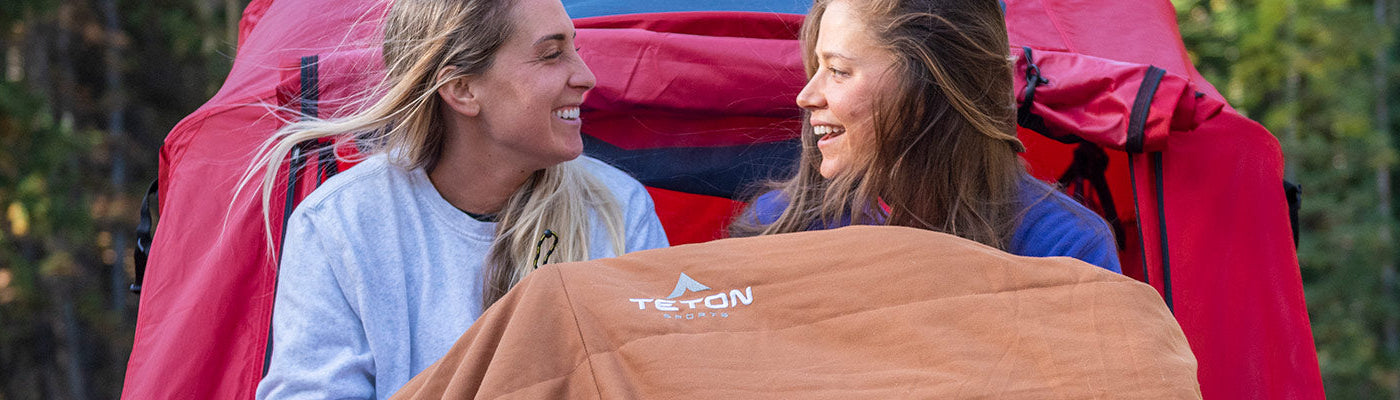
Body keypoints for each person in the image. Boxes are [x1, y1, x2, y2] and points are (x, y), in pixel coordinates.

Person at [247, 0, 669, 397]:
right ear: (462, 89)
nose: (586, 76)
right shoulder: (340, 225)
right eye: (551, 54)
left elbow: (659, 378)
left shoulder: (617, 209)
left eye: (573, 48)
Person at [732, 0, 1120, 272]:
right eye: (815, 67)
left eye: (838, 70)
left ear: (929, 88)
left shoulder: (1063, 247)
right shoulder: (778, 226)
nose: (807, 96)